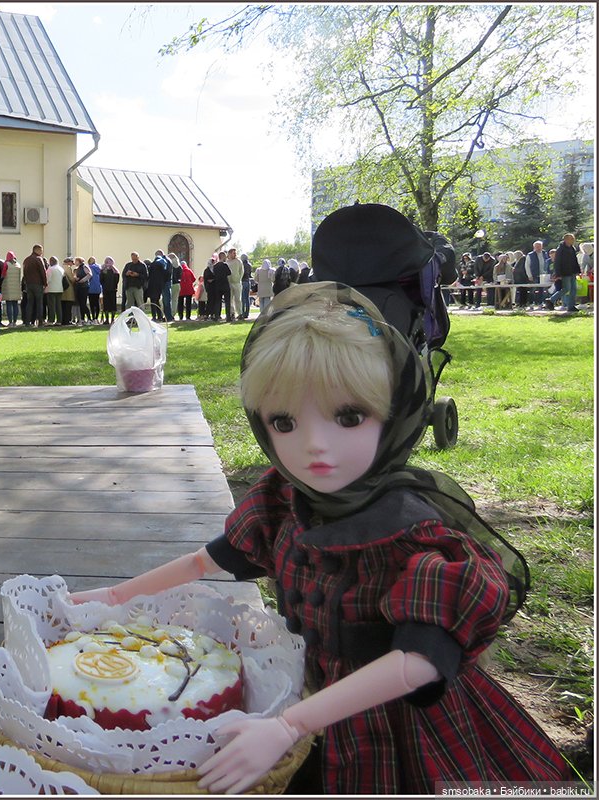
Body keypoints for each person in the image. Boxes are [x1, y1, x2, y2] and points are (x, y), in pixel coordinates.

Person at [71, 281, 568, 795]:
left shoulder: (415, 536)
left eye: (349, 417)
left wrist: (289, 726)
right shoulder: (285, 503)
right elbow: (205, 562)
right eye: (284, 422)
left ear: (393, 413)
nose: (314, 446)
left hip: (396, 727)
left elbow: (417, 662)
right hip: (303, 694)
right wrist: (109, 599)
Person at [22, 244, 48, 327]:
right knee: (39, 303)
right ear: (37, 250)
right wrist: (45, 283)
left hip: (29, 284)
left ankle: (27, 322)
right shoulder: (38, 259)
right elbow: (43, 272)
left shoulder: (26, 260)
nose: (41, 252)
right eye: (41, 250)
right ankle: (40, 322)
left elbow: (25, 272)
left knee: (30, 303)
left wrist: (26, 282)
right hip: (38, 284)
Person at [555, 233, 580, 313]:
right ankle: (551, 299)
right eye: (571, 239)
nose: (573, 241)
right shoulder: (560, 249)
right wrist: (558, 274)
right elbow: (557, 262)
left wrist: (578, 270)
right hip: (565, 272)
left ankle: (571, 306)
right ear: (565, 240)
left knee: (574, 289)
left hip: (572, 271)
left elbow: (574, 260)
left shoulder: (572, 248)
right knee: (566, 289)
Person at [0, 252, 22, 327]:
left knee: (9, 304)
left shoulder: (6, 264)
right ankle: (15, 322)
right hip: (16, 287)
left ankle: (10, 322)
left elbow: (3, 275)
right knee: (15, 304)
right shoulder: (18, 265)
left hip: (8, 287)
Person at [524, 241, 548, 308]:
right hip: (534, 275)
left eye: (540, 246)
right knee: (532, 290)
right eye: (537, 246)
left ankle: (540, 303)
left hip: (543, 275)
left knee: (542, 290)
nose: (538, 248)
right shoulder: (530, 255)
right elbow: (527, 266)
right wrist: (529, 275)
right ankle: (531, 303)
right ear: (534, 247)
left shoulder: (545, 253)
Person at [147, 250, 169, 321]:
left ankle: (154, 316)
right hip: (159, 285)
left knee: (153, 301)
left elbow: (149, 275)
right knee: (157, 300)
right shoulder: (163, 264)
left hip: (152, 285)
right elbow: (166, 274)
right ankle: (159, 315)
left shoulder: (152, 265)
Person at [212, 251, 232, 321]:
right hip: (225, 285)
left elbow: (214, 274)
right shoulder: (225, 265)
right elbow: (229, 273)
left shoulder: (215, 266)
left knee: (218, 301)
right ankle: (228, 317)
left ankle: (217, 316)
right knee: (227, 301)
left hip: (217, 285)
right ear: (223, 257)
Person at [99, 256, 120, 325]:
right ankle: (107, 319)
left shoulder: (115, 271)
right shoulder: (103, 271)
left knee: (113, 304)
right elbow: (101, 280)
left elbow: (117, 278)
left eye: (108, 262)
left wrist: (112, 267)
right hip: (106, 290)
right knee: (106, 305)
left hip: (113, 290)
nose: (107, 263)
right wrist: (104, 270)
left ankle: (113, 319)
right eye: (106, 262)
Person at [45, 256, 65, 325]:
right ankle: (59, 320)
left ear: (51, 262)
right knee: (58, 306)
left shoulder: (50, 269)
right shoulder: (61, 269)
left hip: (51, 289)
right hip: (60, 289)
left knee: (51, 306)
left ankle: (51, 320)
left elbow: (47, 280)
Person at [227, 248, 244, 320]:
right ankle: (232, 313)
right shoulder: (227, 262)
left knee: (238, 299)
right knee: (230, 299)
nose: (235, 254)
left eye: (235, 253)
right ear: (230, 253)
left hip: (237, 282)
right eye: (233, 253)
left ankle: (240, 313)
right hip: (229, 282)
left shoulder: (238, 261)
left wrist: (239, 278)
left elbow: (241, 271)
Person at [73, 256, 92, 323]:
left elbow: (89, 275)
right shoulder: (77, 269)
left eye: (76, 261)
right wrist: (76, 278)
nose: (75, 262)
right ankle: (82, 318)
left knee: (83, 304)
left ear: (79, 261)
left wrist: (82, 280)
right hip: (79, 287)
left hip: (84, 287)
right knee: (81, 304)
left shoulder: (84, 267)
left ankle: (89, 318)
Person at [61, 257, 77, 325]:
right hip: (68, 290)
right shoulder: (67, 267)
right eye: (72, 263)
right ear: (69, 262)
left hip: (62, 289)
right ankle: (67, 321)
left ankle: (63, 320)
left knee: (63, 306)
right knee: (68, 306)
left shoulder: (60, 267)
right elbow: (71, 279)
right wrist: (75, 277)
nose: (72, 265)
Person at [87, 256, 102, 324]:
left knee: (92, 304)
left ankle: (93, 318)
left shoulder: (88, 267)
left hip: (90, 288)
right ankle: (96, 318)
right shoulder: (99, 268)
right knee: (97, 303)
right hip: (98, 287)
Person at [168, 252, 182, 319]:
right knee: (175, 300)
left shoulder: (170, 265)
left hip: (171, 284)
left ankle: (168, 313)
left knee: (168, 300)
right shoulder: (179, 267)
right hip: (177, 284)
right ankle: (173, 313)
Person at [240, 253, 253, 318]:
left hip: (242, 281)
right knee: (247, 298)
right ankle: (247, 313)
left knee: (242, 298)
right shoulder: (249, 265)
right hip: (248, 281)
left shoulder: (241, 265)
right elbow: (250, 274)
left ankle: (242, 312)